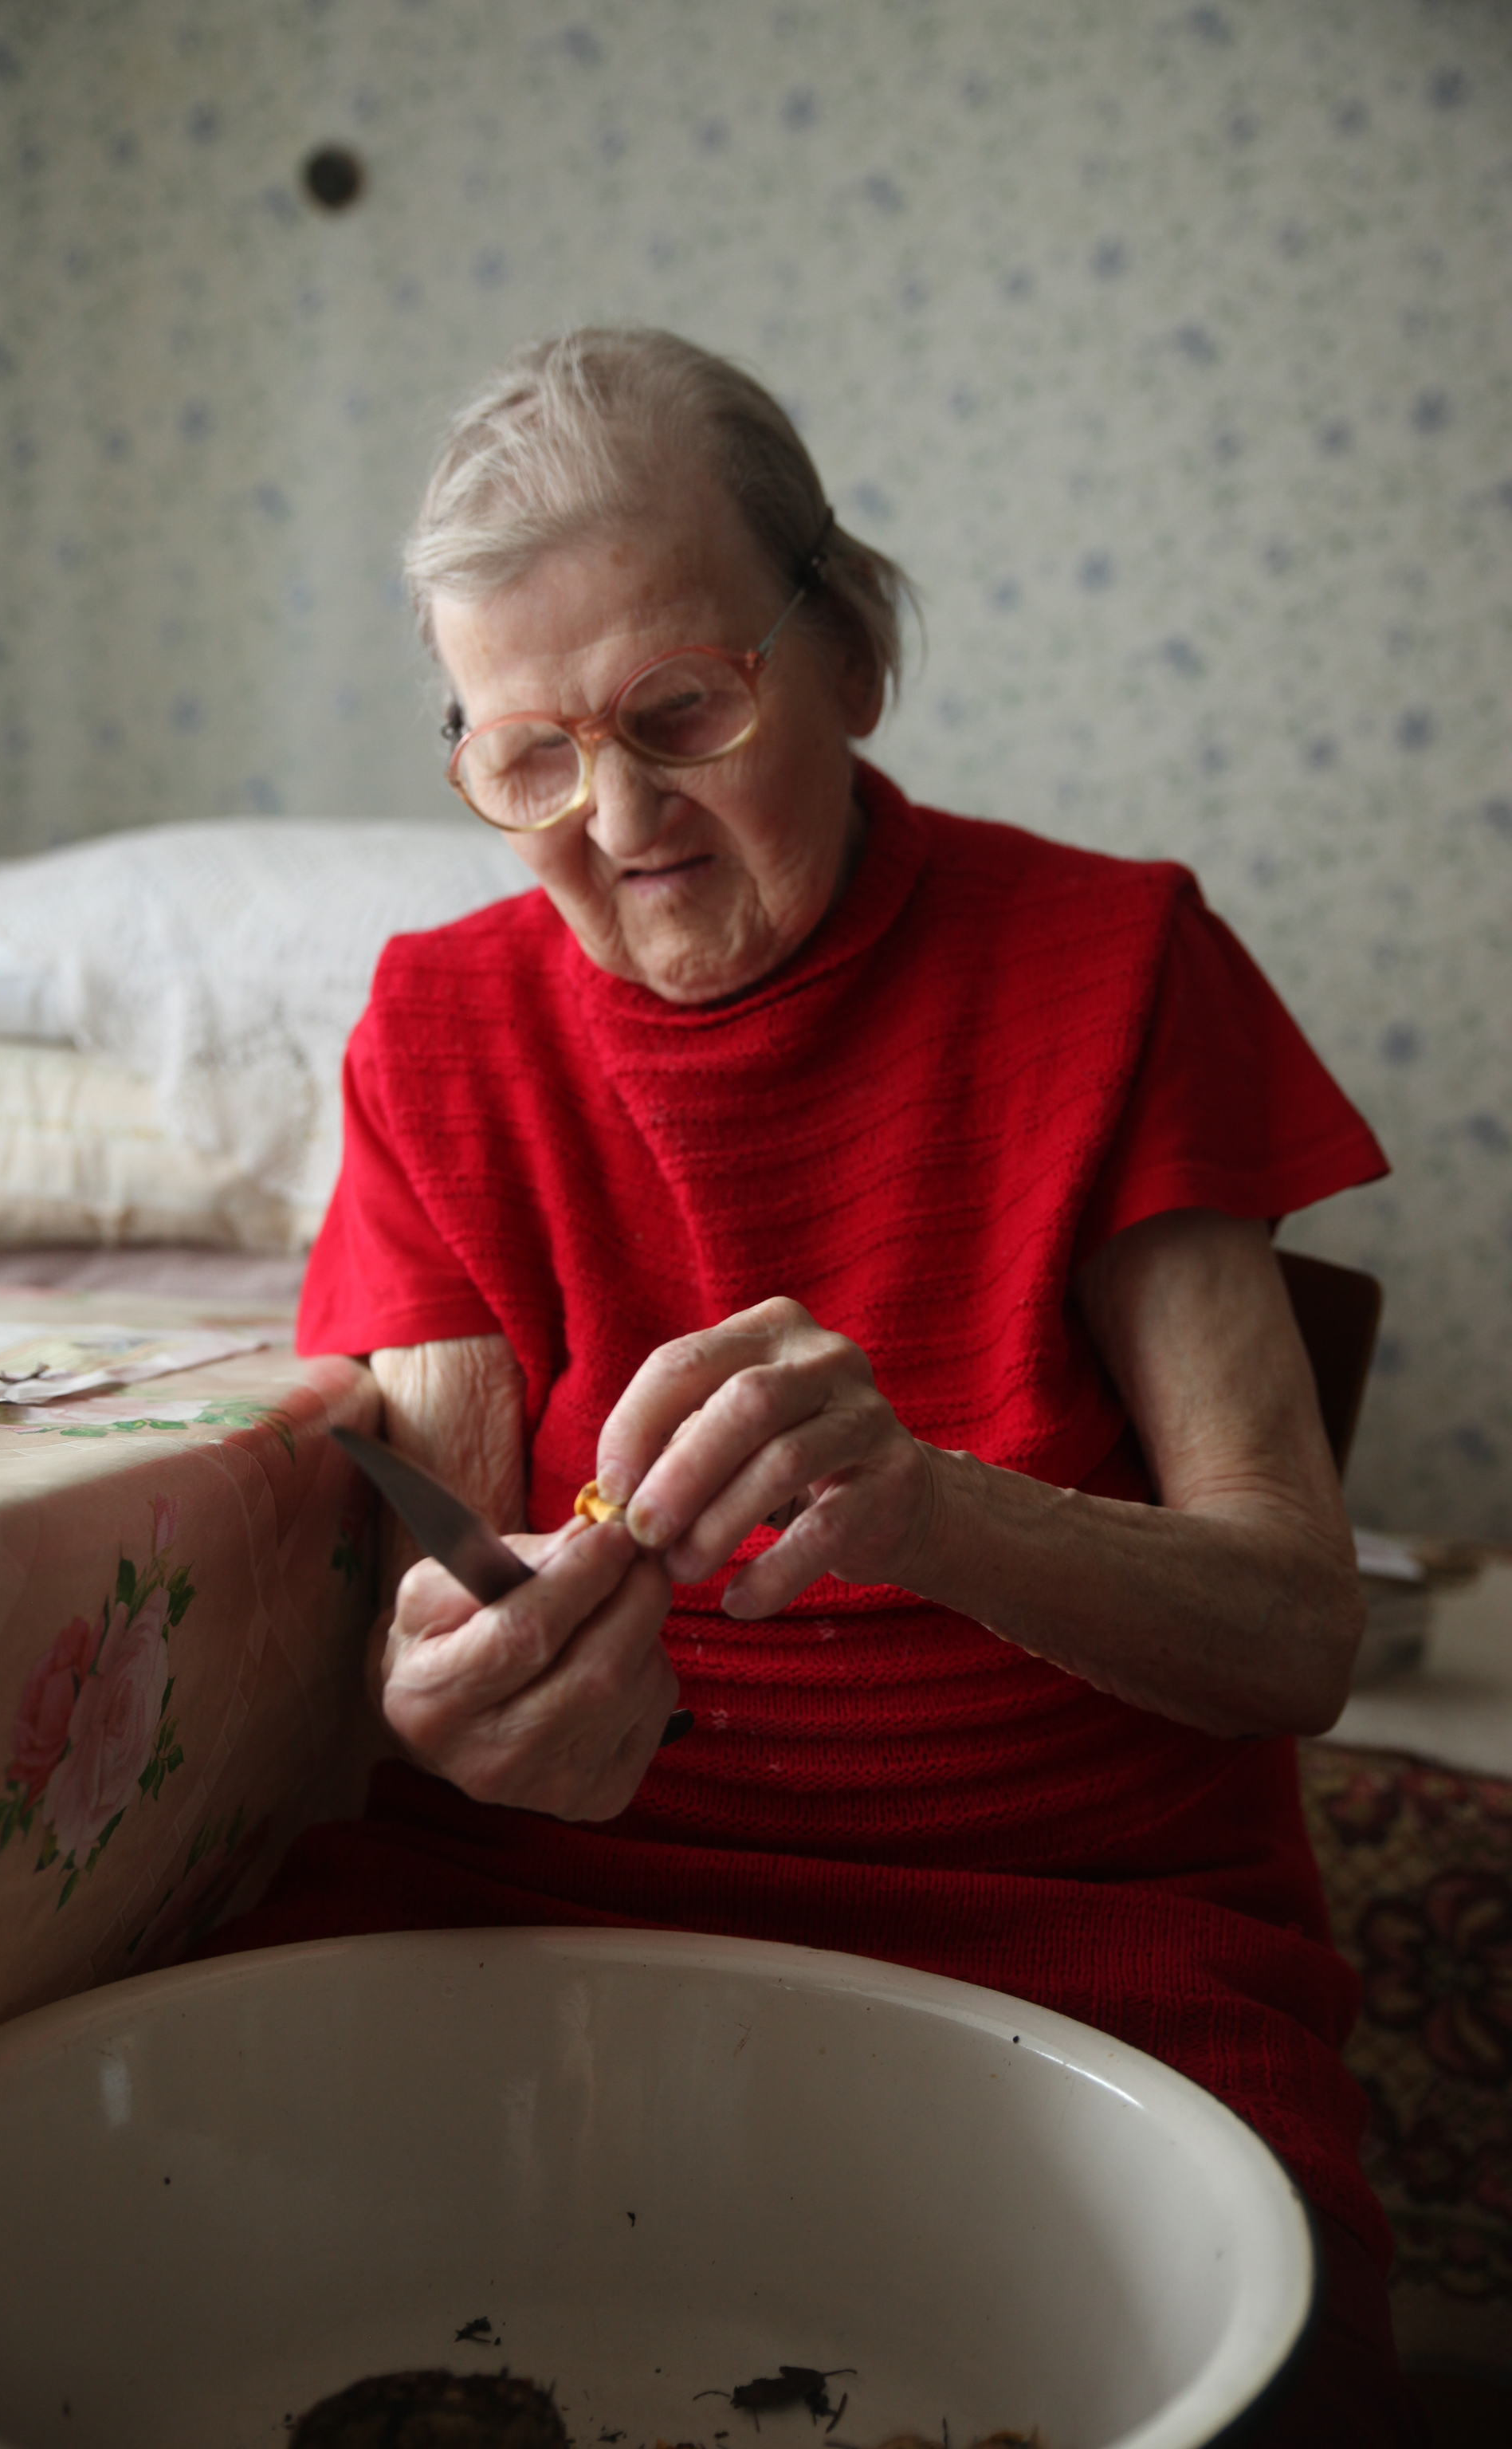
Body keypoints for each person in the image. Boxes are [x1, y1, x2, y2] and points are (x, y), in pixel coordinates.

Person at [225, 328, 1420, 2443]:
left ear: (852, 648)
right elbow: (447, 1563)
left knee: (1249, 2359)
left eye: (679, 710)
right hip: (537, 1906)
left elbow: (1300, 1630)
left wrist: (942, 1509)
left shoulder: (1112, 965)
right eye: (527, 759)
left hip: (1078, 1935)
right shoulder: (439, 1030)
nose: (617, 820)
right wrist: (439, 1697)